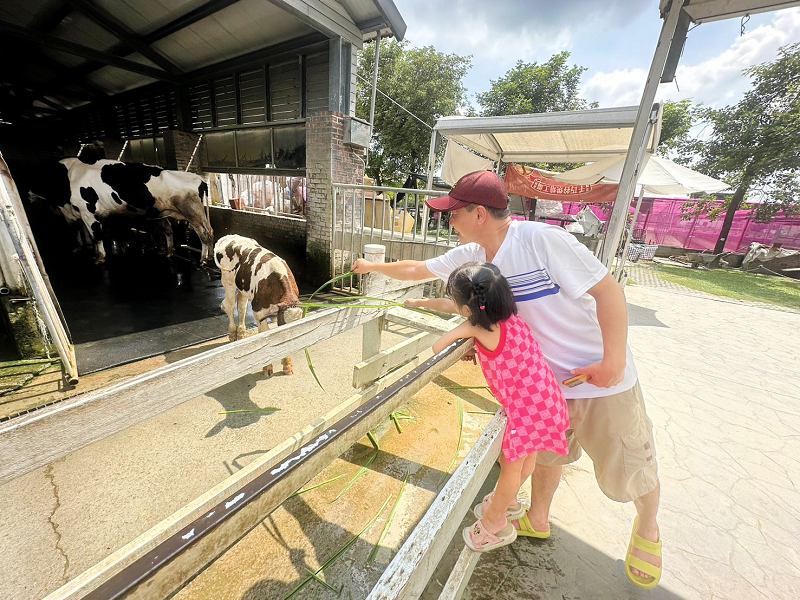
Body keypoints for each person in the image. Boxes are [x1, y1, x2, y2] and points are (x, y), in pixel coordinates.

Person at [352, 170, 662, 589]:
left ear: (478, 213)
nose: (449, 221)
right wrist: (373, 265)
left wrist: (614, 359)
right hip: (542, 384)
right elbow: (417, 268)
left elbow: (609, 293)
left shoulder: (542, 241)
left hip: (600, 376)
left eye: (453, 214)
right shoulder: (472, 258)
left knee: (630, 465)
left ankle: (648, 526)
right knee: (550, 456)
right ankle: (537, 518)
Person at [430, 262, 569, 553]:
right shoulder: (512, 319)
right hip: (548, 401)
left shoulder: (476, 327)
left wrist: (465, 331)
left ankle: (494, 525)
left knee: (510, 467)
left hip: (526, 411)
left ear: (467, 310)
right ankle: (510, 502)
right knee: (527, 460)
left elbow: (437, 347)